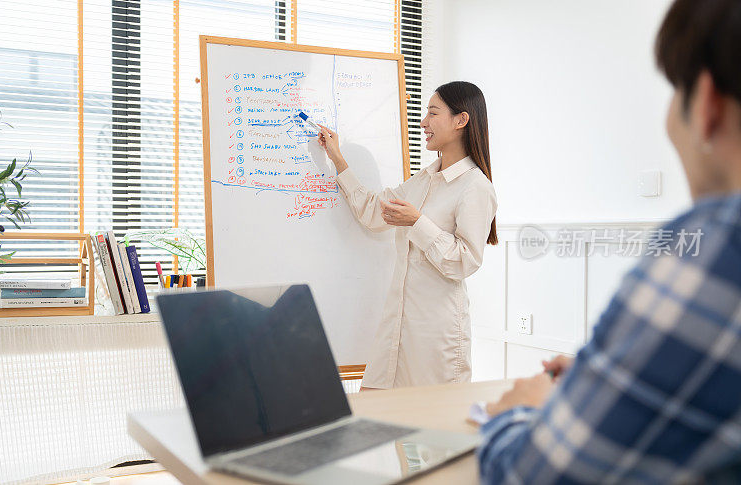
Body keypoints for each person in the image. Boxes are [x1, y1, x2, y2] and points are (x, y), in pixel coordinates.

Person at [478, 0, 741, 482]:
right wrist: (624, 375)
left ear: (705, 105)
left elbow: (538, 473)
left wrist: (523, 410)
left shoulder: (719, 241)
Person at [317, 81, 498, 389]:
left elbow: (464, 262)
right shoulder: (424, 180)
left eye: (432, 113)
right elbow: (374, 211)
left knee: (431, 431)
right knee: (379, 415)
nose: (423, 122)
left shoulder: (475, 186)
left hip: (435, 337)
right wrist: (337, 158)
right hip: (396, 329)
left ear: (461, 120)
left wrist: (418, 222)